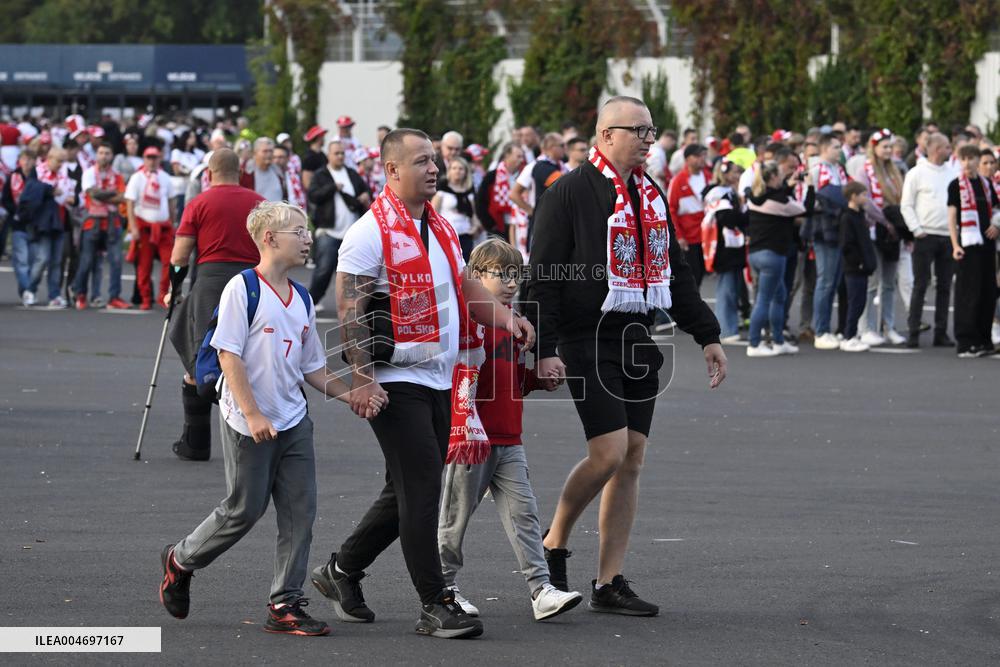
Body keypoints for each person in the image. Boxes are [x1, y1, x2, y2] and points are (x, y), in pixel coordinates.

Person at [310, 128, 534, 639]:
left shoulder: (442, 226)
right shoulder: (368, 233)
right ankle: (435, 604)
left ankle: (340, 571)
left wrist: (503, 317)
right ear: (391, 170)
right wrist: (363, 382)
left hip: (440, 374)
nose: (434, 168)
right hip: (394, 379)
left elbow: (464, 287)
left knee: (404, 488)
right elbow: (350, 313)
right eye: (422, 161)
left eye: (435, 160)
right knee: (424, 483)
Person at [528, 97, 726, 615]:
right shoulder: (566, 193)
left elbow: (676, 272)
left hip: (637, 335)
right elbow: (543, 276)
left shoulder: (651, 195)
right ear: (605, 135)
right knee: (609, 453)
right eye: (637, 130)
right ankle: (553, 541)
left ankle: (608, 581)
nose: (647, 139)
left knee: (632, 458)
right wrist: (544, 349)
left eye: (651, 130)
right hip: (584, 336)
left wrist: (707, 334)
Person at [158, 200, 382, 636]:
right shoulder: (243, 288)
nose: (306, 238)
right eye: (298, 230)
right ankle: (180, 559)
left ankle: (285, 601)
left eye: (306, 230)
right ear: (268, 239)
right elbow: (228, 354)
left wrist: (352, 394)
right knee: (243, 510)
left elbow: (311, 366)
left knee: (301, 511)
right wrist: (253, 412)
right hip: (249, 422)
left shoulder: (300, 297)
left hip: (293, 418)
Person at [437, 238, 584, 621]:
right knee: (455, 517)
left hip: (509, 436)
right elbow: (459, 380)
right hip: (473, 438)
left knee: (525, 515)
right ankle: (443, 587)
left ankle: (541, 590)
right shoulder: (471, 321)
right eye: (500, 274)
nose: (510, 282)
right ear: (475, 276)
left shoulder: (512, 321)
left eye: (515, 274)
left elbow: (512, 379)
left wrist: (537, 379)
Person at [167, 148, 266, 461]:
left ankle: (196, 441)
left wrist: (174, 289)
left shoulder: (200, 202)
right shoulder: (259, 202)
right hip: (253, 280)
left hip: (211, 282)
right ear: (240, 171)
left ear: (208, 174)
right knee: (250, 351)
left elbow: (180, 255)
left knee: (202, 353)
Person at [745, 161, 813, 357]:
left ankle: (778, 341)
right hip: (772, 255)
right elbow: (804, 209)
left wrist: (789, 185)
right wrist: (810, 186)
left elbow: (777, 194)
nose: (783, 177)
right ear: (773, 177)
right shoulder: (779, 201)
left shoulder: (754, 195)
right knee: (765, 300)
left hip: (756, 253)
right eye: (781, 175)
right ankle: (754, 344)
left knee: (779, 296)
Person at [900, 132, 955, 348]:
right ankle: (913, 330)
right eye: (947, 147)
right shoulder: (917, 173)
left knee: (944, 286)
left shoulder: (951, 173)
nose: (950, 151)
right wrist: (916, 229)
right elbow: (907, 204)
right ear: (936, 149)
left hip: (947, 235)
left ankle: (940, 332)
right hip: (925, 235)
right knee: (920, 284)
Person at [854, 129, 907, 346]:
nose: (888, 150)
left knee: (889, 283)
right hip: (874, 229)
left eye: (889, 146)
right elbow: (865, 200)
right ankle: (866, 327)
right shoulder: (864, 170)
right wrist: (885, 220)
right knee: (871, 281)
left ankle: (888, 326)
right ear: (874, 148)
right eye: (884, 146)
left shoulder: (895, 170)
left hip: (893, 231)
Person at [947, 144, 1000, 357]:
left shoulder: (986, 184)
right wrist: (955, 245)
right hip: (967, 244)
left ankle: (983, 339)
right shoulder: (955, 185)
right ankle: (966, 341)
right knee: (969, 293)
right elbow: (951, 217)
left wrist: (996, 225)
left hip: (987, 244)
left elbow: (996, 210)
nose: (968, 163)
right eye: (964, 159)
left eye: (971, 159)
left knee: (988, 292)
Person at [307, 140, 370, 311]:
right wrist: (332, 187)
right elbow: (313, 195)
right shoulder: (321, 175)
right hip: (329, 231)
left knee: (353, 273)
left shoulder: (351, 173)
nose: (340, 156)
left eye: (342, 153)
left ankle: (354, 306)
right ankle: (310, 303)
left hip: (351, 233)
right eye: (337, 153)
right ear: (329, 155)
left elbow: (365, 189)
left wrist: (365, 195)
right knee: (323, 270)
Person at [72, 142, 127, 310]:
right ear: (96, 155)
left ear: (112, 156)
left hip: (112, 222)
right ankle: (80, 294)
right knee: (87, 260)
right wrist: (111, 195)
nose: (104, 156)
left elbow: (123, 197)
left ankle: (114, 297)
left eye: (107, 153)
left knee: (116, 261)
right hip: (92, 221)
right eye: (101, 152)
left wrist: (102, 195)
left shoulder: (117, 176)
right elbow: (92, 193)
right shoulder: (89, 173)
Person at [809, 134, 849, 350]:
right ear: (824, 148)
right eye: (835, 147)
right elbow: (809, 198)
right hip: (823, 230)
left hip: (837, 229)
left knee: (833, 281)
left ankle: (827, 328)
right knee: (825, 280)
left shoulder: (839, 170)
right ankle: (821, 330)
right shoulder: (816, 170)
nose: (839, 150)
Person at [701, 158, 747, 342]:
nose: (738, 176)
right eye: (735, 172)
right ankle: (725, 329)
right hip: (722, 246)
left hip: (734, 245)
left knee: (734, 287)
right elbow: (728, 218)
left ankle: (731, 325)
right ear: (725, 173)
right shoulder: (717, 193)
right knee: (726, 288)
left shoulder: (731, 192)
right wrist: (742, 214)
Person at [125, 146, 176, 310]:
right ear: (144, 159)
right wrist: (133, 227)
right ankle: (145, 297)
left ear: (159, 159)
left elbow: (172, 202)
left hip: (162, 228)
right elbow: (130, 203)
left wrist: (172, 222)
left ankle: (163, 295)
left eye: (155, 158)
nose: (152, 161)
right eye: (149, 157)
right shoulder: (137, 178)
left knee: (170, 262)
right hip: (144, 227)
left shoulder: (166, 177)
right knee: (144, 265)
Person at [510, 132, 567, 258]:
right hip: (542, 222)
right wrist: (531, 211)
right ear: (552, 148)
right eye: (562, 145)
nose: (565, 148)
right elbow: (514, 194)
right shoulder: (534, 166)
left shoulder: (562, 166)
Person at [31, 147, 75, 308]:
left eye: (63, 161)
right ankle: (31, 288)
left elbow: (69, 195)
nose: (61, 164)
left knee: (57, 261)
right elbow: (35, 193)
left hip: (60, 221)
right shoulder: (38, 173)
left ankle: (54, 294)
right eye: (58, 160)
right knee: (43, 258)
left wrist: (63, 195)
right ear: (49, 158)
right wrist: (52, 192)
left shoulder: (64, 175)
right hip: (43, 222)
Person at [838, 182, 877, 352]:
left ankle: (851, 335)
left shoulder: (859, 215)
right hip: (854, 268)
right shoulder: (847, 217)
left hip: (862, 267)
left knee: (860, 302)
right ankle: (849, 336)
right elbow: (847, 244)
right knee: (855, 302)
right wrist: (858, 261)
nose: (865, 198)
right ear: (853, 196)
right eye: (862, 194)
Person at [667, 143, 711, 288]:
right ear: (687, 159)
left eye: (704, 155)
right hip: (689, 237)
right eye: (698, 156)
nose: (702, 159)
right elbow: (671, 210)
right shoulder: (678, 181)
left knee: (703, 272)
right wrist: (679, 236)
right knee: (693, 275)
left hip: (707, 235)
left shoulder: (709, 177)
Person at [2, 149, 39, 304]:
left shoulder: (38, 178)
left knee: (32, 261)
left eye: (31, 160)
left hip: (34, 223)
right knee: (21, 260)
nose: (28, 163)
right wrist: (15, 211)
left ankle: (26, 288)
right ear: (20, 161)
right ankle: (28, 290)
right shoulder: (12, 177)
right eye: (25, 159)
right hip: (18, 223)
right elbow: (6, 199)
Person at [431, 156, 481, 260]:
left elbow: (474, 214)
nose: (457, 171)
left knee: (465, 265)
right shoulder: (442, 189)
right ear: (449, 170)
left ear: (466, 172)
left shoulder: (469, 191)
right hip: (447, 236)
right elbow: (432, 213)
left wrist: (475, 227)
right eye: (454, 168)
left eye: (460, 168)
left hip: (465, 235)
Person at [475, 142, 524, 239]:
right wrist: (491, 225)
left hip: (519, 226)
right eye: (518, 156)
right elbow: (481, 202)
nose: (521, 160)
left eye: (522, 157)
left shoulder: (524, 176)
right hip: (498, 226)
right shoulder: (492, 176)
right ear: (507, 155)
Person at [240, 137, 286, 202]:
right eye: (265, 151)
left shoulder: (278, 171)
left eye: (271, 151)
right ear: (255, 153)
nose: (269, 154)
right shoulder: (246, 172)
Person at [301, 125, 328, 190]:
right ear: (318, 138)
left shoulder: (322, 155)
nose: (324, 139)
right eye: (323, 136)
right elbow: (306, 182)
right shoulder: (309, 157)